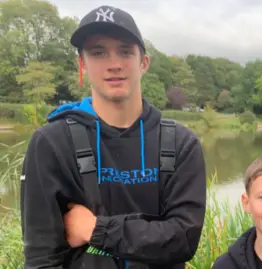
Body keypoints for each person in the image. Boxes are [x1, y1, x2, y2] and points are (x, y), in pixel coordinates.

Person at [20, 5, 206, 269]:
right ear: (81, 64)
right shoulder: (51, 143)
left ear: (144, 63)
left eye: (125, 51)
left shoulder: (181, 144)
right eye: (98, 53)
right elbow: (42, 258)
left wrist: (94, 229)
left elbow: (183, 240)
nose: (114, 64)